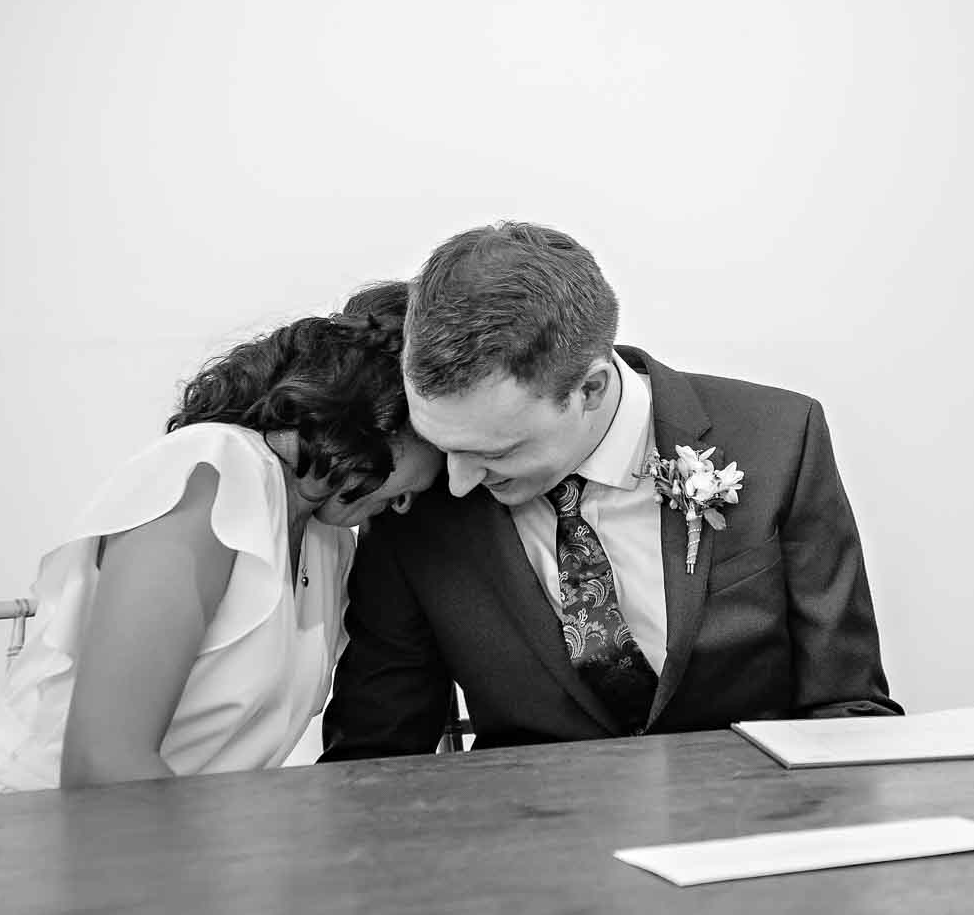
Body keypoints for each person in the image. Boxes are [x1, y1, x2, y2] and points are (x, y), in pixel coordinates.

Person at [321, 221, 898, 757]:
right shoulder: (415, 499)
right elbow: (375, 755)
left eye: (496, 452)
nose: (457, 479)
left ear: (590, 389)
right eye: (443, 444)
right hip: (528, 844)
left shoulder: (778, 440)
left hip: (754, 833)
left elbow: (847, 707)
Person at [0, 307, 444, 798]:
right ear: (382, 418)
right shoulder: (210, 477)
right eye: (434, 451)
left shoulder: (331, 543)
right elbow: (102, 765)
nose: (404, 505)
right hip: (20, 835)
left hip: (161, 849)